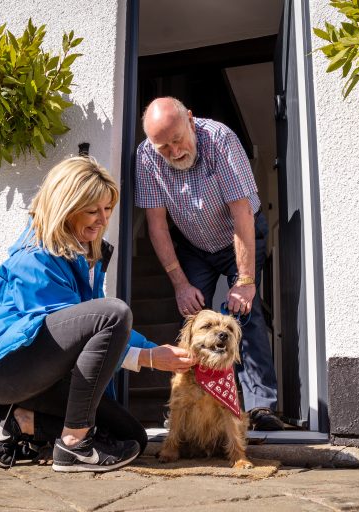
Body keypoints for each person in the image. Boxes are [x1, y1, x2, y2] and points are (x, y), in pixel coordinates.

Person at [0, 156, 194, 473]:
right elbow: (83, 327)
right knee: (114, 313)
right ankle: (73, 446)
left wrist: (156, 351)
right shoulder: (34, 257)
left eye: (108, 209)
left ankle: (19, 421)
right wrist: (148, 359)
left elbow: (97, 329)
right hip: (4, 373)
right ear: (66, 207)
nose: (103, 219)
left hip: (46, 377)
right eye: (93, 210)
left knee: (132, 437)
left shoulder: (84, 257)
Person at [135, 97, 284, 431]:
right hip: (192, 242)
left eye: (177, 140)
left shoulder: (220, 139)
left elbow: (241, 212)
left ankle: (260, 407)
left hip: (238, 234)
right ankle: (186, 403)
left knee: (246, 313)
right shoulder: (146, 156)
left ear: (191, 118)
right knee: (193, 320)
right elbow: (156, 225)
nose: (173, 152)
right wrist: (180, 284)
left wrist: (244, 280)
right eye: (164, 147)